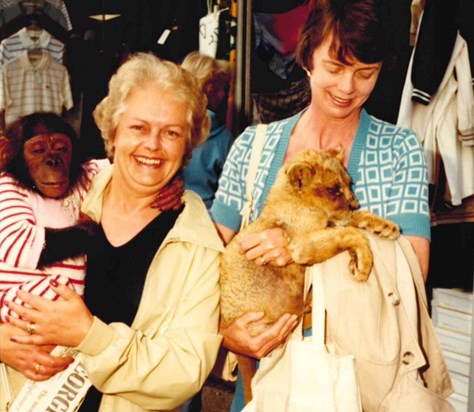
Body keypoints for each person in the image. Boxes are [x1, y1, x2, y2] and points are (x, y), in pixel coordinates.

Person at [208, 0, 431, 410]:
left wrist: (296, 248)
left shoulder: (400, 150)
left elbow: (411, 269)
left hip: (364, 380)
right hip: (267, 378)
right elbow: (205, 259)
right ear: (307, 57)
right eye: (334, 68)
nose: (348, 88)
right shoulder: (254, 147)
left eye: (366, 73)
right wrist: (223, 331)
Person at [3, 52, 224, 412]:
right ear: (113, 131)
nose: (152, 145)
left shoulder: (195, 241)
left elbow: (187, 369)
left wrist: (92, 337)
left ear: (187, 145)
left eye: (171, 133)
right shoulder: (59, 190)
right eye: (139, 127)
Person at [181, 51, 233, 210]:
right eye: (223, 88)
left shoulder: (168, 125)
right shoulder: (224, 138)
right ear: (211, 89)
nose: (224, 95)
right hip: (205, 218)